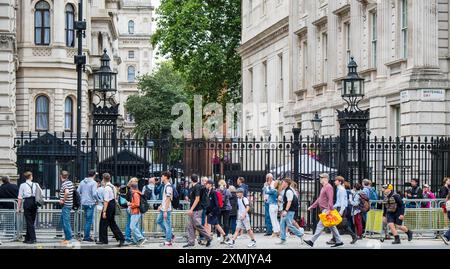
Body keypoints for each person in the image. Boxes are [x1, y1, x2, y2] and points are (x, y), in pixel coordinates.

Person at [304, 173, 343, 248]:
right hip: (325, 209)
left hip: (326, 210)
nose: (320, 179)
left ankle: (311, 241)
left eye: (321, 177)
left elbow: (330, 199)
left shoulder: (328, 187)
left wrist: (328, 209)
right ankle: (339, 241)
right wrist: (312, 206)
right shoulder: (324, 187)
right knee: (332, 226)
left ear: (325, 178)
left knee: (319, 226)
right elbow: (319, 199)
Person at [96, 173, 125, 246]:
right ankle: (121, 238)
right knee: (112, 223)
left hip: (108, 205)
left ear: (103, 179)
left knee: (103, 223)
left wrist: (104, 211)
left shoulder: (106, 188)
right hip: (113, 205)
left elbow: (106, 201)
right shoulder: (113, 187)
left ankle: (103, 240)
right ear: (110, 179)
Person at [183, 174, 212, 248]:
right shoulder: (193, 187)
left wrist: (191, 209)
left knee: (197, 225)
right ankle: (191, 242)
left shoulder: (197, 187)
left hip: (197, 209)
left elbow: (197, 199)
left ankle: (208, 237)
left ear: (191, 179)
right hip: (194, 209)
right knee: (190, 226)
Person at [328, 176, 358, 245]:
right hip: (340, 207)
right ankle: (353, 236)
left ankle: (335, 239)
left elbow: (342, 201)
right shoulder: (340, 189)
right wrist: (333, 206)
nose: (334, 181)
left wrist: (341, 210)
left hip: (342, 208)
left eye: (336, 180)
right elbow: (339, 201)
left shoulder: (341, 189)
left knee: (338, 224)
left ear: (340, 182)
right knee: (339, 224)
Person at [277, 178, 304, 245]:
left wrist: (286, 210)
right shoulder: (286, 190)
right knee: (282, 224)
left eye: (283, 182)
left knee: (289, 225)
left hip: (289, 210)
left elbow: (289, 201)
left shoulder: (289, 191)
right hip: (287, 210)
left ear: (286, 183)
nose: (282, 184)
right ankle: (283, 239)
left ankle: (301, 235)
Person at [17, 171, 42, 244]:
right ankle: (27, 238)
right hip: (34, 202)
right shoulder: (36, 184)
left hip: (27, 202)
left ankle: (33, 238)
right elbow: (41, 193)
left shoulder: (22, 185)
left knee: (29, 221)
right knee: (31, 221)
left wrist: (18, 208)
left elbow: (20, 197)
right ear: (31, 176)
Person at [205, 179, 229, 244]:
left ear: (210, 184)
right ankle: (225, 236)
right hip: (210, 211)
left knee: (209, 223)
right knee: (216, 224)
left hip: (213, 211)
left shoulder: (213, 192)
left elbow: (216, 204)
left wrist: (212, 212)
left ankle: (208, 239)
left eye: (206, 184)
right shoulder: (208, 191)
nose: (205, 185)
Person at [77, 169, 98, 242]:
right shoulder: (94, 183)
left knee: (85, 220)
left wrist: (82, 198)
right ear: (94, 175)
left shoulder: (82, 182)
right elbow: (94, 194)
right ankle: (86, 236)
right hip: (90, 203)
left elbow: (78, 192)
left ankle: (82, 234)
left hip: (83, 203)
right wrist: (97, 200)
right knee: (88, 221)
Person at [157, 171, 174, 247]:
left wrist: (165, 211)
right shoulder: (166, 186)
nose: (161, 177)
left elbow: (168, 199)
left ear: (166, 177)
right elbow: (165, 199)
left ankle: (168, 241)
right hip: (163, 208)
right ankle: (170, 235)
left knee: (167, 224)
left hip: (166, 209)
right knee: (159, 221)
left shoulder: (168, 186)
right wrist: (161, 205)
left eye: (162, 176)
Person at [127, 182, 146, 246]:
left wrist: (130, 204)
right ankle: (136, 240)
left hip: (136, 212)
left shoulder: (135, 194)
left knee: (132, 226)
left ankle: (141, 238)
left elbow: (137, 204)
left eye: (130, 188)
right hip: (136, 212)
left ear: (132, 188)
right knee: (135, 226)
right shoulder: (136, 193)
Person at [59, 171, 74, 245]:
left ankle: (69, 238)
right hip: (69, 204)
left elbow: (67, 192)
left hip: (66, 205)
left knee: (66, 222)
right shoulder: (70, 183)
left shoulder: (64, 184)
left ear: (61, 176)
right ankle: (67, 238)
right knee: (64, 221)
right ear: (67, 176)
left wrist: (62, 200)